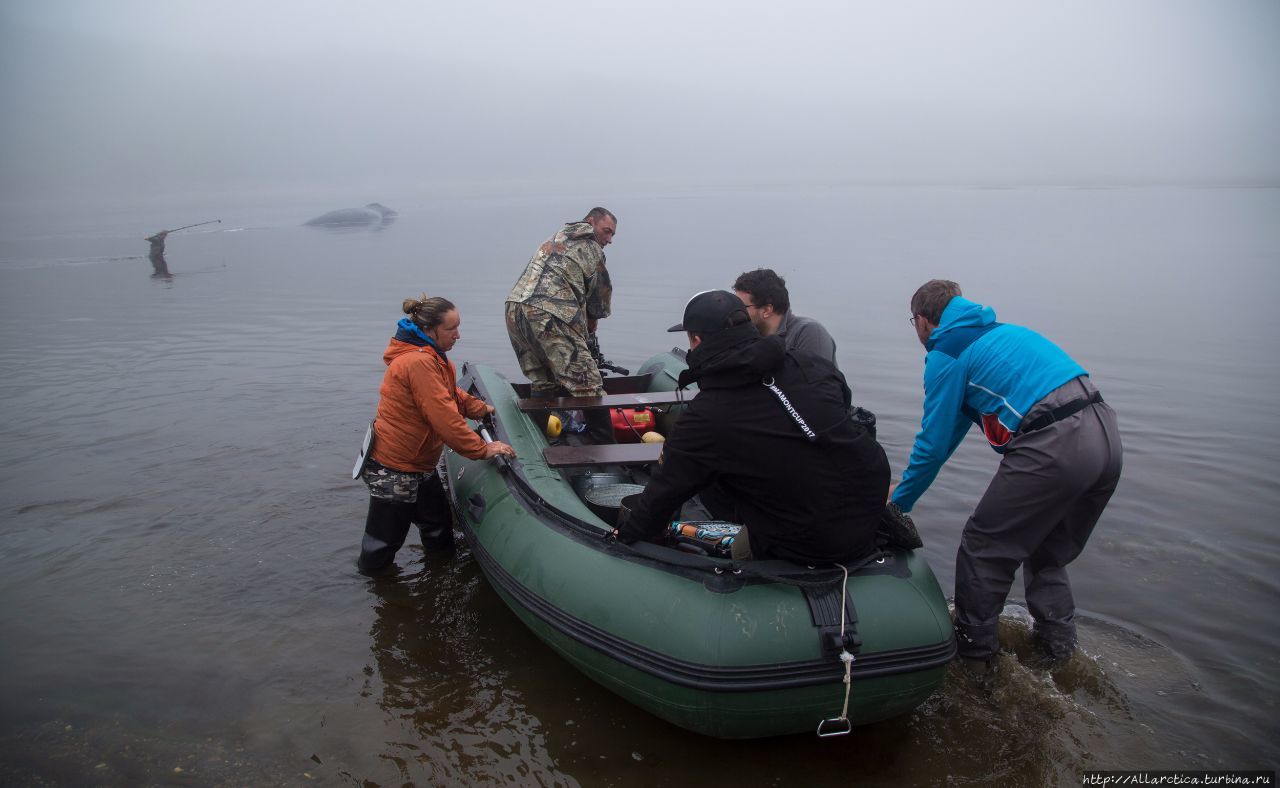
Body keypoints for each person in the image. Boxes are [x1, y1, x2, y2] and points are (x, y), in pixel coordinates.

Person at [891, 280, 1123, 668]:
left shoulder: (946, 351)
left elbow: (932, 446)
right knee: (1046, 554)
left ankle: (975, 662)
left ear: (922, 320)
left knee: (982, 548)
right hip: (1107, 437)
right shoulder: (1004, 334)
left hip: (1055, 443)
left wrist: (896, 507)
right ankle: (1058, 657)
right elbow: (952, 432)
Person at [617, 290, 889, 564]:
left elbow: (664, 491)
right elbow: (842, 408)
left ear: (696, 340)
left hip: (811, 544)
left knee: (738, 548)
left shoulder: (707, 415)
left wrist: (624, 538)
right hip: (870, 515)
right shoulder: (811, 365)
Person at [357, 294, 516, 574]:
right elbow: (444, 417)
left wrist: (481, 408)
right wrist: (483, 449)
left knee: (438, 526)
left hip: (420, 465)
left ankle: (440, 576)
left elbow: (450, 394)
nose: (458, 335)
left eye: (458, 327)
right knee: (383, 543)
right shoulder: (416, 363)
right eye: (451, 329)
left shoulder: (433, 357)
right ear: (430, 330)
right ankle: (378, 590)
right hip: (395, 467)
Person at [733, 268, 838, 366]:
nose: (736, 311)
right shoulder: (748, 335)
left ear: (766, 310)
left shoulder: (808, 332)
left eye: (742, 306)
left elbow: (816, 381)